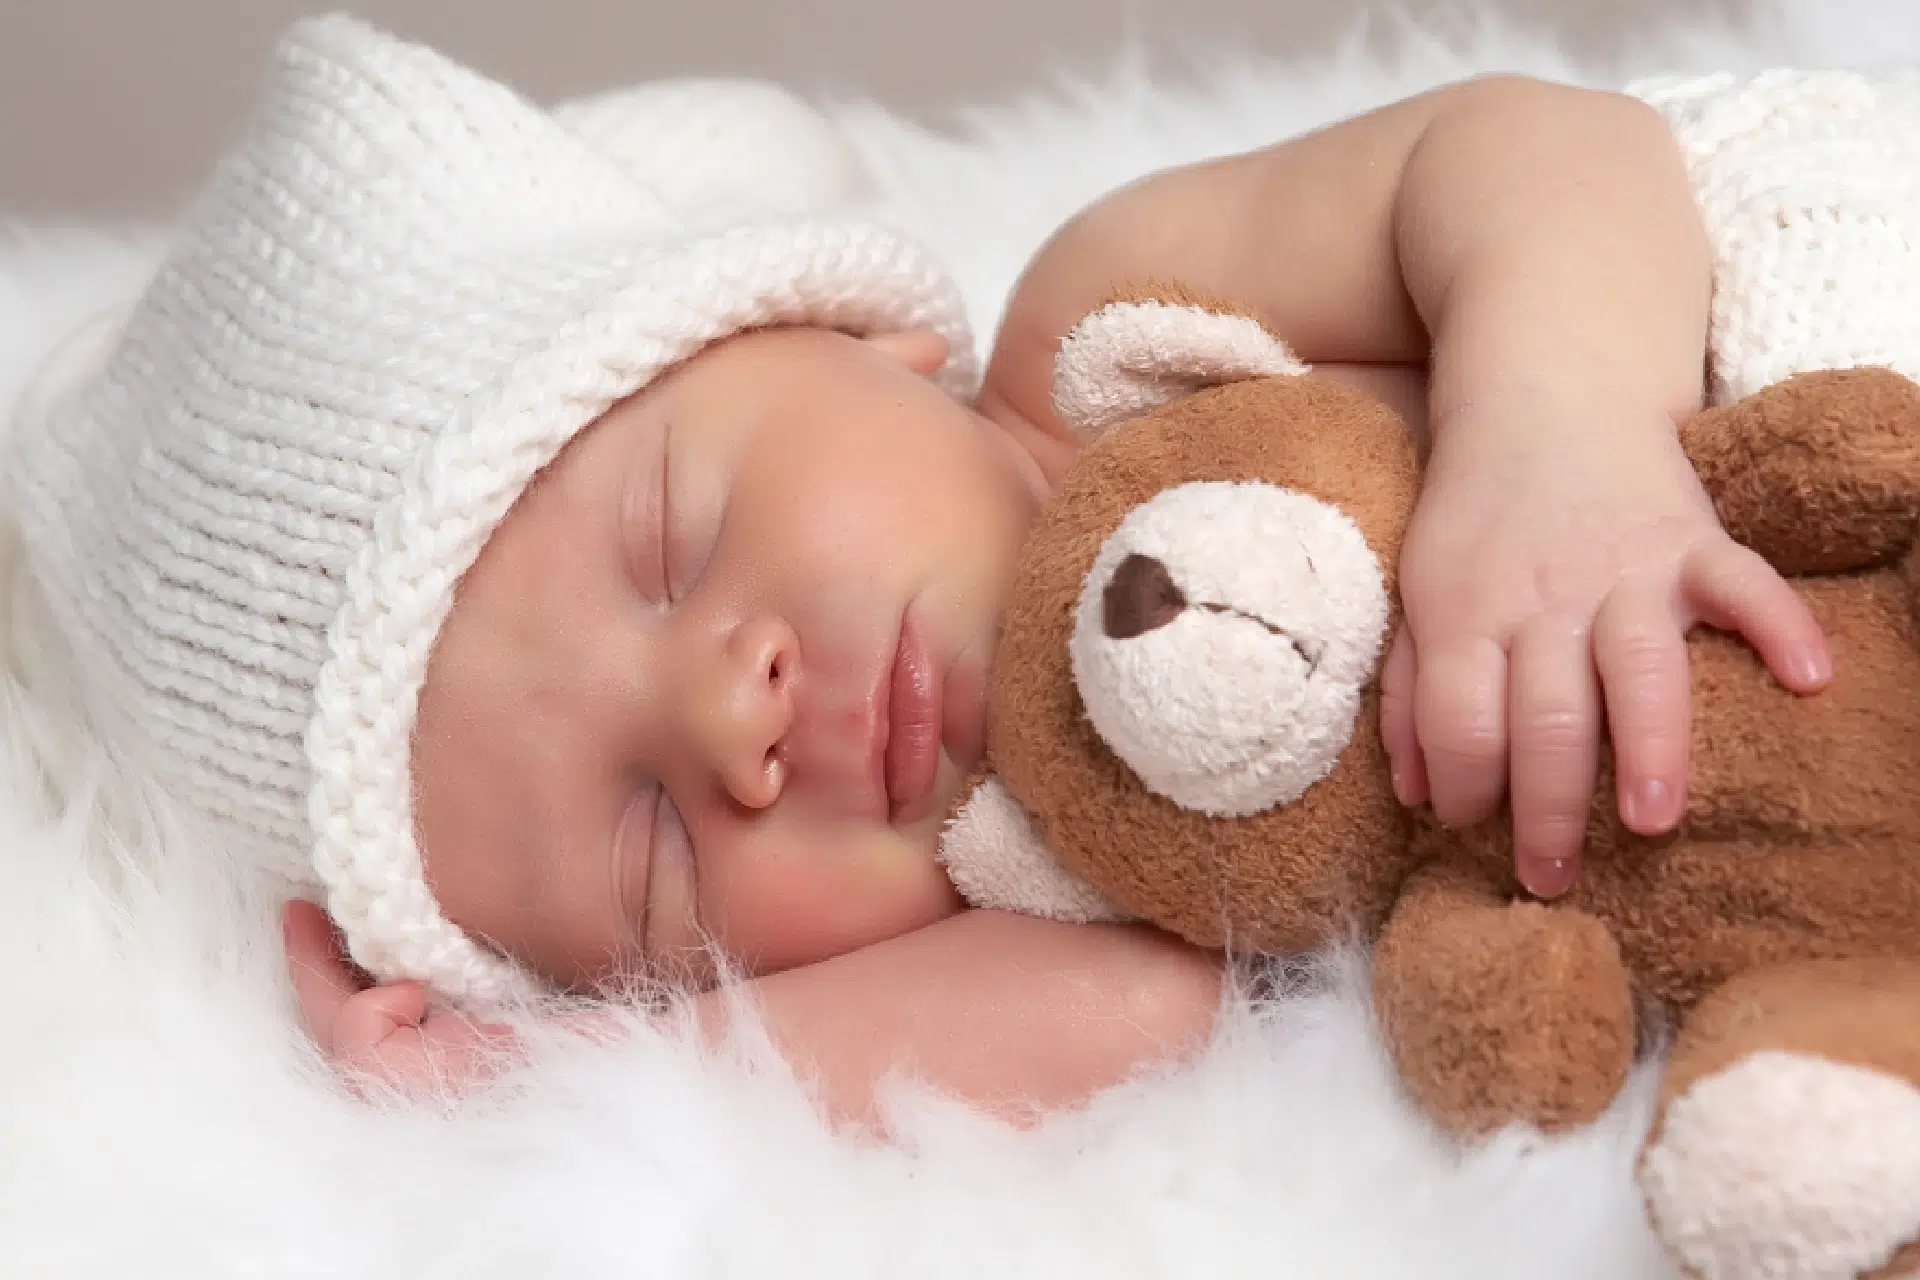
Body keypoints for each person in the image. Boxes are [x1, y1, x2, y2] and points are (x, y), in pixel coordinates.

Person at [7, 15, 1835, 1132]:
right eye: (652, 846)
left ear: (843, 336)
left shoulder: (1104, 329)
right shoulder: (1053, 888)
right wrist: (518, 1089)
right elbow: (1145, 1020)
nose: (736, 714)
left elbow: (1540, 150)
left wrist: (1558, 431)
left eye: (672, 545)